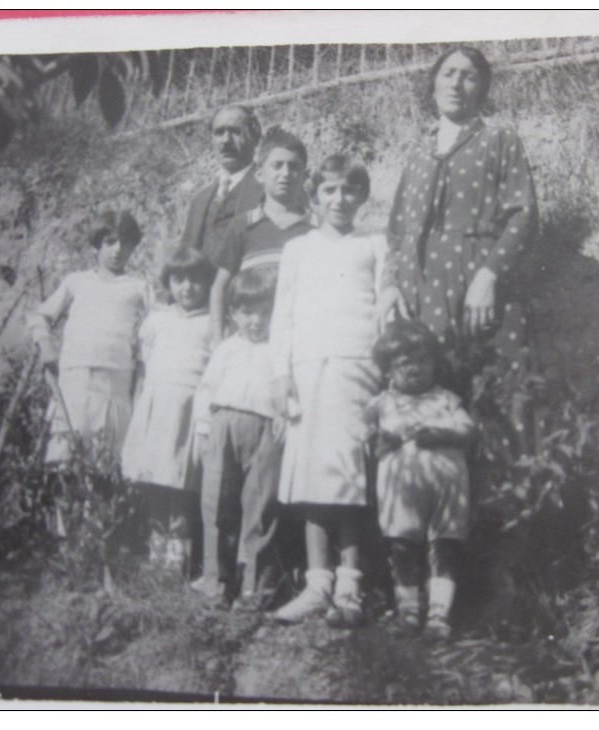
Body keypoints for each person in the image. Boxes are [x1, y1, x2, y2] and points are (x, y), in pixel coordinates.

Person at [380, 45, 538, 453]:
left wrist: (488, 277)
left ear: (482, 88)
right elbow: (396, 231)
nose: (457, 82)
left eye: (469, 75)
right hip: (422, 295)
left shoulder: (499, 140)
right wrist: (391, 285)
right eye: (448, 73)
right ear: (433, 83)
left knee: (498, 402)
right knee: (432, 405)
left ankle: (506, 511)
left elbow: (523, 215)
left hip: (480, 294)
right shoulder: (417, 153)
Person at [269, 155, 386, 627]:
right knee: (314, 476)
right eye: (329, 191)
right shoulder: (298, 248)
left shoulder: (375, 244)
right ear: (314, 198)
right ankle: (317, 583)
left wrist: (385, 371)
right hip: (308, 367)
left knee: (352, 476)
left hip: (358, 365)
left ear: (362, 196)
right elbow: (284, 315)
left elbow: (384, 310)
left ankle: (351, 585)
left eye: (349, 190)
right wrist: (281, 374)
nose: (340, 200)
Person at [366, 319, 475, 640]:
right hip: (401, 492)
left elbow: (468, 430)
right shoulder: (382, 403)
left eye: (423, 360)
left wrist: (443, 433)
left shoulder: (446, 398)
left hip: (447, 489)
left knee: (445, 546)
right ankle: (409, 611)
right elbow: (365, 437)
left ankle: (440, 614)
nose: (415, 368)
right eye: (404, 363)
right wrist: (382, 438)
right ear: (388, 370)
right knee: (401, 546)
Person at [28, 210, 151, 471]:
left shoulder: (138, 287)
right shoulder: (77, 282)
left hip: (115, 383)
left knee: (104, 462)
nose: (118, 249)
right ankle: (64, 510)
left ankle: (100, 510)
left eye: (125, 242)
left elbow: (161, 325)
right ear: (96, 245)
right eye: (109, 241)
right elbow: (41, 316)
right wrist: (46, 345)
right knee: (65, 459)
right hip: (76, 379)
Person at [193, 269, 284, 609]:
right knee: (216, 503)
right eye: (247, 312)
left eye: (265, 311)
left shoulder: (279, 349)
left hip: (265, 428)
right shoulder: (227, 349)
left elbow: (289, 388)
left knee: (260, 505)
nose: (257, 321)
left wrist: (285, 417)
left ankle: (253, 587)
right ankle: (217, 583)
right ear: (232, 314)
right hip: (223, 425)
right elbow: (206, 389)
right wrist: (204, 429)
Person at [120, 249, 214, 574]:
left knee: (181, 485)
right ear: (169, 282)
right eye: (179, 279)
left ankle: (178, 561)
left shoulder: (213, 323)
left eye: (195, 279)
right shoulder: (157, 320)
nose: (187, 287)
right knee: (155, 485)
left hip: (188, 410)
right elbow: (144, 368)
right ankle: (155, 555)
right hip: (156, 407)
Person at [208, 128, 313, 343]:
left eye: (294, 167)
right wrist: (218, 339)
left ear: (305, 175)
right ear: (259, 174)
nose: (285, 174)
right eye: (277, 165)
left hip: (300, 337)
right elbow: (220, 286)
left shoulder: (316, 228)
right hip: (254, 339)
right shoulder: (243, 225)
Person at [178, 105, 265, 263]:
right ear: (211, 140)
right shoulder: (200, 201)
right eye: (219, 133)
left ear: (255, 138)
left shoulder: (268, 192)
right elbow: (182, 259)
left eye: (236, 131)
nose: (226, 140)